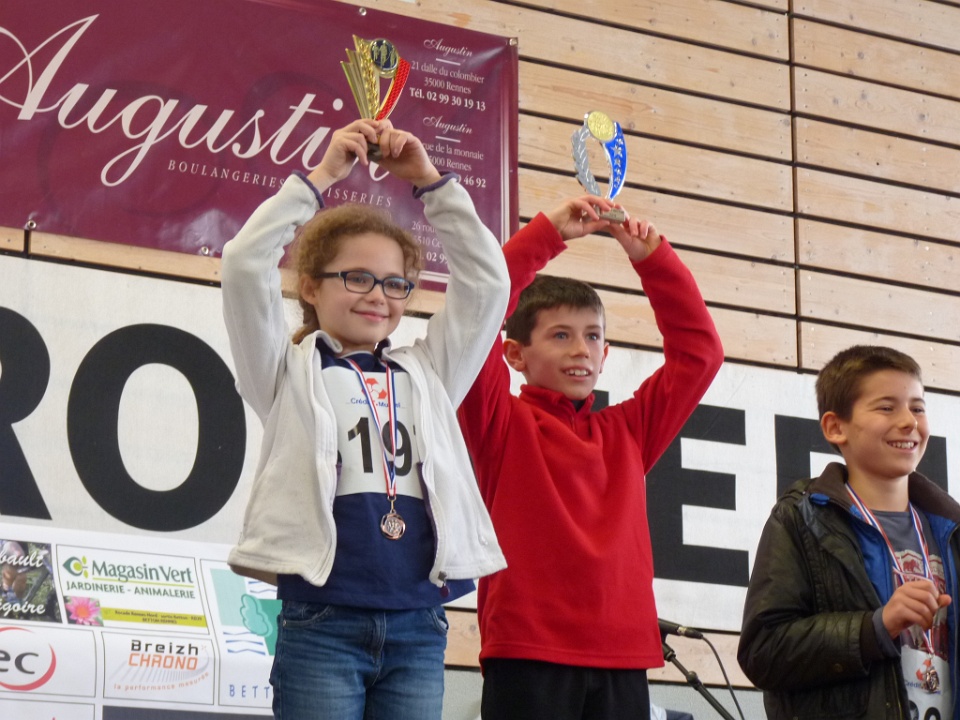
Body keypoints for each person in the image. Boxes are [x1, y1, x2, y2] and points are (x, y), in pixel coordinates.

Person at [220, 118, 509, 720]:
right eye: (357, 278)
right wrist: (322, 176)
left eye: (395, 283)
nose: (378, 295)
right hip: (322, 620)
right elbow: (245, 263)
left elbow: (488, 282)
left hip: (418, 622)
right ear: (310, 286)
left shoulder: (429, 371)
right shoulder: (286, 371)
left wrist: (430, 183)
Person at [456, 196, 724, 719]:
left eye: (592, 336)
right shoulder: (499, 422)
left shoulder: (628, 430)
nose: (581, 349)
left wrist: (653, 259)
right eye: (561, 335)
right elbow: (475, 313)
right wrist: (547, 234)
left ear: (606, 354)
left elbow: (701, 354)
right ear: (515, 354)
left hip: (623, 655)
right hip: (527, 651)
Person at [738, 345, 960, 720]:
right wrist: (875, 628)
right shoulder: (802, 518)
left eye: (918, 408)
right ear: (835, 427)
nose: (909, 421)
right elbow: (763, 651)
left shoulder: (950, 530)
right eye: (887, 408)